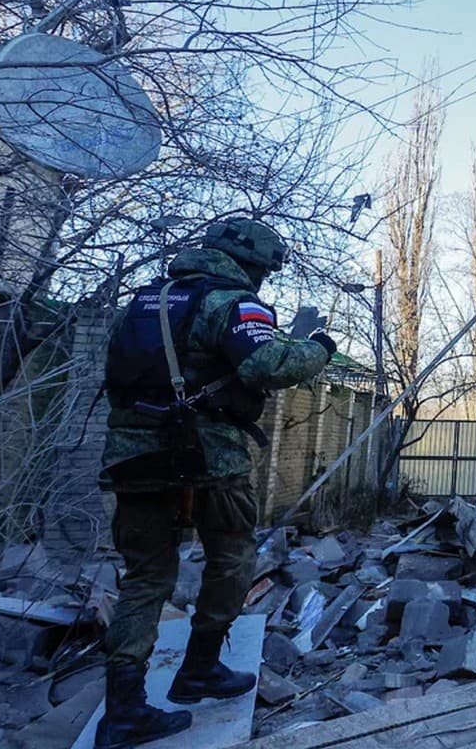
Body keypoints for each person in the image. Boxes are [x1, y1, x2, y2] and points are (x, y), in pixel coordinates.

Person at [96, 218, 335, 748]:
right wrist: (320, 346)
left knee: (144, 578)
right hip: (208, 460)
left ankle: (123, 711)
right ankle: (199, 670)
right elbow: (268, 365)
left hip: (133, 460)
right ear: (252, 265)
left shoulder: (145, 301)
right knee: (232, 559)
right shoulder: (232, 302)